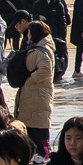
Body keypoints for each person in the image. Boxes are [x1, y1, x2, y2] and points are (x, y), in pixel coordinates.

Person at [13, 22, 56, 158]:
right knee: (32, 124)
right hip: (34, 93)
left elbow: (45, 69)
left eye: (30, 32)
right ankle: (36, 152)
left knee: (39, 126)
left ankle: (43, 153)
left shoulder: (41, 50)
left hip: (37, 93)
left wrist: (30, 80)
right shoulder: (40, 48)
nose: (28, 35)